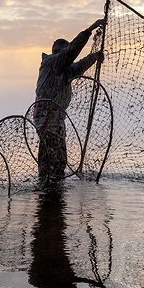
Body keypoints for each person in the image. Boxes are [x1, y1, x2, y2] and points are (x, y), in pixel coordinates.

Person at [33, 18, 105, 182]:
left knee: (58, 156)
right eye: (65, 52)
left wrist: (95, 56)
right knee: (50, 151)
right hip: (45, 114)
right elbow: (71, 52)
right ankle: (46, 186)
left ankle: (53, 188)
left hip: (57, 117)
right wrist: (90, 29)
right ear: (58, 52)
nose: (69, 56)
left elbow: (79, 65)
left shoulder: (65, 69)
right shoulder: (52, 62)